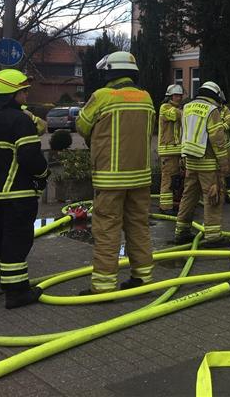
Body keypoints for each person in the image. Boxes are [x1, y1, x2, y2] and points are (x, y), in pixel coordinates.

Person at [76, 51, 155, 294]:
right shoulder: (146, 98)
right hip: (141, 177)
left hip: (110, 179)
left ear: (110, 73)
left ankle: (103, 286)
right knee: (139, 227)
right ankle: (143, 279)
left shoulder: (103, 96)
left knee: (107, 230)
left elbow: (81, 126)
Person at [0, 69, 48, 308]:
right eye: (23, 91)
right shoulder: (20, 120)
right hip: (19, 193)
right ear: (11, 94)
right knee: (16, 241)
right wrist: (43, 173)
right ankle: (16, 292)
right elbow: (30, 157)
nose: (26, 96)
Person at [175, 81, 230, 247]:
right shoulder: (211, 110)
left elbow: (182, 133)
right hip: (208, 163)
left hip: (190, 160)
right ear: (214, 95)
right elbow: (217, 139)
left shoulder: (187, 108)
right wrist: (224, 164)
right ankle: (213, 236)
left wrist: (182, 157)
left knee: (189, 197)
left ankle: (181, 231)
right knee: (213, 197)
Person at [204, 83, 230, 205]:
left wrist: (221, 127)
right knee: (212, 172)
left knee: (229, 170)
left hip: (225, 145)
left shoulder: (224, 109)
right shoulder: (207, 108)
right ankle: (216, 196)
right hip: (210, 146)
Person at [158, 84, 184, 214]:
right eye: (176, 95)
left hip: (176, 150)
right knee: (167, 179)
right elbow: (176, 115)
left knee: (175, 179)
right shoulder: (165, 108)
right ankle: (165, 207)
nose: (178, 98)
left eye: (180, 95)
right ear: (170, 96)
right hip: (168, 150)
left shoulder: (179, 109)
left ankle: (173, 203)